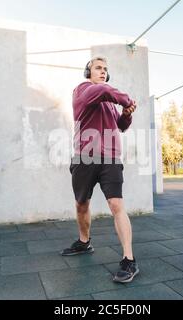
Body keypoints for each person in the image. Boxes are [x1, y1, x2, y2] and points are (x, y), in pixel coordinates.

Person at [60, 56, 139, 284]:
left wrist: (126, 113)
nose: (103, 71)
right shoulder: (82, 90)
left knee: (116, 204)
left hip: (111, 158)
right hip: (85, 156)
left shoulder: (108, 102)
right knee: (81, 203)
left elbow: (121, 126)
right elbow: (106, 91)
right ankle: (84, 242)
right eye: (98, 68)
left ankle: (128, 259)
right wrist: (127, 100)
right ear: (88, 72)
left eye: (105, 69)